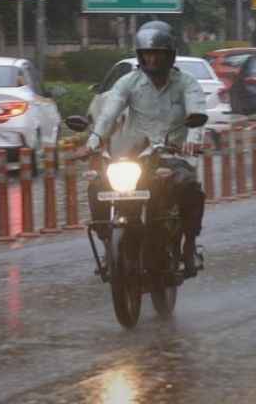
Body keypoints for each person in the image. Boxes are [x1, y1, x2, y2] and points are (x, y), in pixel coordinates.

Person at [87, 21, 208, 276]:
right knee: (97, 185)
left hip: (172, 155)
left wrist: (193, 139)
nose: (152, 60)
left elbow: (196, 112)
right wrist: (95, 140)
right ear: (140, 57)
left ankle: (189, 245)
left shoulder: (186, 83)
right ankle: (109, 243)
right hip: (132, 154)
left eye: (158, 54)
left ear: (169, 55)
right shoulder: (128, 83)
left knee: (190, 188)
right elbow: (109, 113)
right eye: (147, 54)